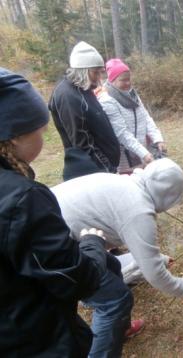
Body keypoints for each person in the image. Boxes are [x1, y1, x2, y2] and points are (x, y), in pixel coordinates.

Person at [0, 68, 108, 357]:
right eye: (41, 129)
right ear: (15, 135)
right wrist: (93, 243)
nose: (44, 136)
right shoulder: (22, 200)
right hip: (37, 341)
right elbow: (76, 279)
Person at [51, 157, 183, 294]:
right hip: (53, 243)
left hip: (46, 215)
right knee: (117, 300)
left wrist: (161, 259)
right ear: (169, 196)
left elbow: (143, 254)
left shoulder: (125, 182)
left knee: (113, 265)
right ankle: (91, 294)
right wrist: (180, 286)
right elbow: (153, 272)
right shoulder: (138, 210)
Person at [49, 41, 120, 181]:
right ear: (82, 70)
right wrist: (108, 171)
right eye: (96, 72)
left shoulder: (83, 89)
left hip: (102, 170)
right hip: (92, 174)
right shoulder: (68, 96)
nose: (100, 77)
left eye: (101, 72)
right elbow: (83, 143)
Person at [97, 58, 166, 174]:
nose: (128, 83)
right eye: (123, 80)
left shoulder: (132, 94)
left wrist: (158, 139)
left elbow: (146, 118)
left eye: (129, 79)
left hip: (142, 149)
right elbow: (121, 133)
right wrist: (143, 153)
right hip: (125, 155)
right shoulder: (107, 100)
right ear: (112, 80)